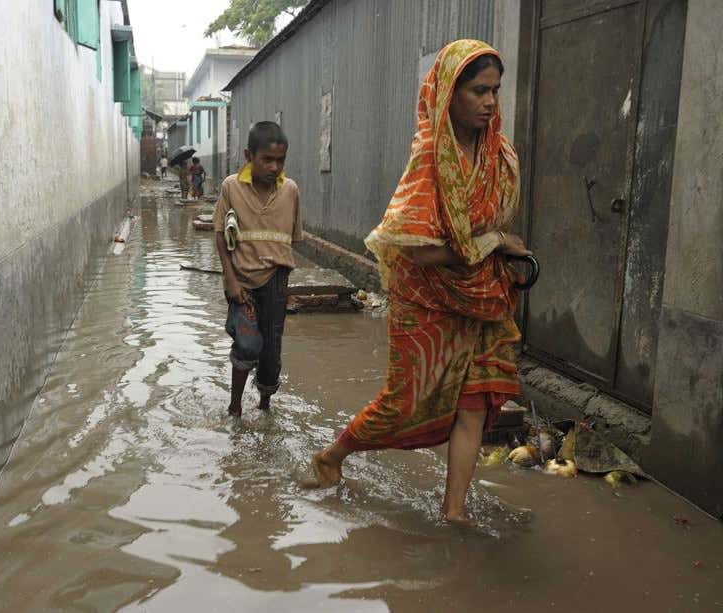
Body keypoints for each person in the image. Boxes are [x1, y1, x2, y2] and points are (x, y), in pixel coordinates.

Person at [303, 40, 533, 525]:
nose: (490, 102)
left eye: (495, 90)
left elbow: (491, 223)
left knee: (474, 403)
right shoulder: (430, 159)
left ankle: (454, 513)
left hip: (483, 297)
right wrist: (494, 243)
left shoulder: (500, 155)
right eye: (478, 91)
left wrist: (496, 252)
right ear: (449, 93)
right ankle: (332, 456)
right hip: (426, 296)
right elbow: (420, 249)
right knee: (403, 403)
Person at [212, 121, 303, 417]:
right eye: (267, 159)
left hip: (276, 282)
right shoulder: (231, 187)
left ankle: (264, 408)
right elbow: (218, 233)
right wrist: (230, 279)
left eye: (281, 160)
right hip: (242, 282)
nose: (274, 167)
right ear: (248, 155)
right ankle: (235, 407)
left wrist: (286, 289)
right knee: (248, 344)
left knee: (270, 353)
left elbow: (293, 240)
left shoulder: (290, 191)